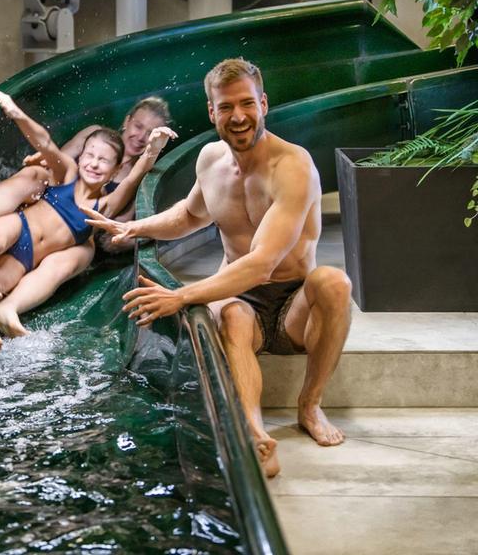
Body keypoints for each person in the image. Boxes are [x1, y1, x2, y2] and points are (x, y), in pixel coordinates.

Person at [83, 58, 351, 478]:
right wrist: (133, 226)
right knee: (233, 314)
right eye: (226, 106)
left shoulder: (293, 166)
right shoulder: (210, 159)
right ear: (212, 112)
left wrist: (181, 295)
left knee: (334, 281)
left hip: (295, 306)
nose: (238, 116)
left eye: (247, 104)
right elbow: (189, 215)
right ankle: (253, 432)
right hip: (241, 302)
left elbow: (262, 263)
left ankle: (310, 406)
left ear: (263, 104)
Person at [0, 89, 176, 352]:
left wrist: (153, 149)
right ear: (80, 157)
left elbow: (134, 178)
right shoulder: (67, 174)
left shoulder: (105, 206)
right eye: (90, 156)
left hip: (27, 258)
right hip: (20, 226)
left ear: (115, 171)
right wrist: (15, 112)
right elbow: (45, 144)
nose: (94, 164)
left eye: (103, 161)